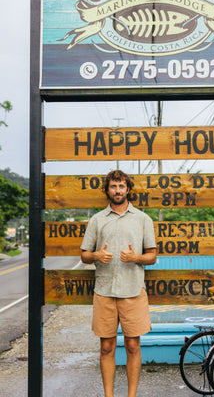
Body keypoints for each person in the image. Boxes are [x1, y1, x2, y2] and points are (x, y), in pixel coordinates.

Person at [80, 169, 157, 397]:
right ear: (107, 190)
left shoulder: (143, 219)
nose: (117, 190)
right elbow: (84, 255)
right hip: (105, 291)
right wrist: (96, 256)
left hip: (133, 290)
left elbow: (152, 256)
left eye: (121, 186)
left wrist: (136, 258)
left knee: (133, 345)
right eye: (113, 187)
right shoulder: (97, 220)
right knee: (106, 347)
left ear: (128, 189)